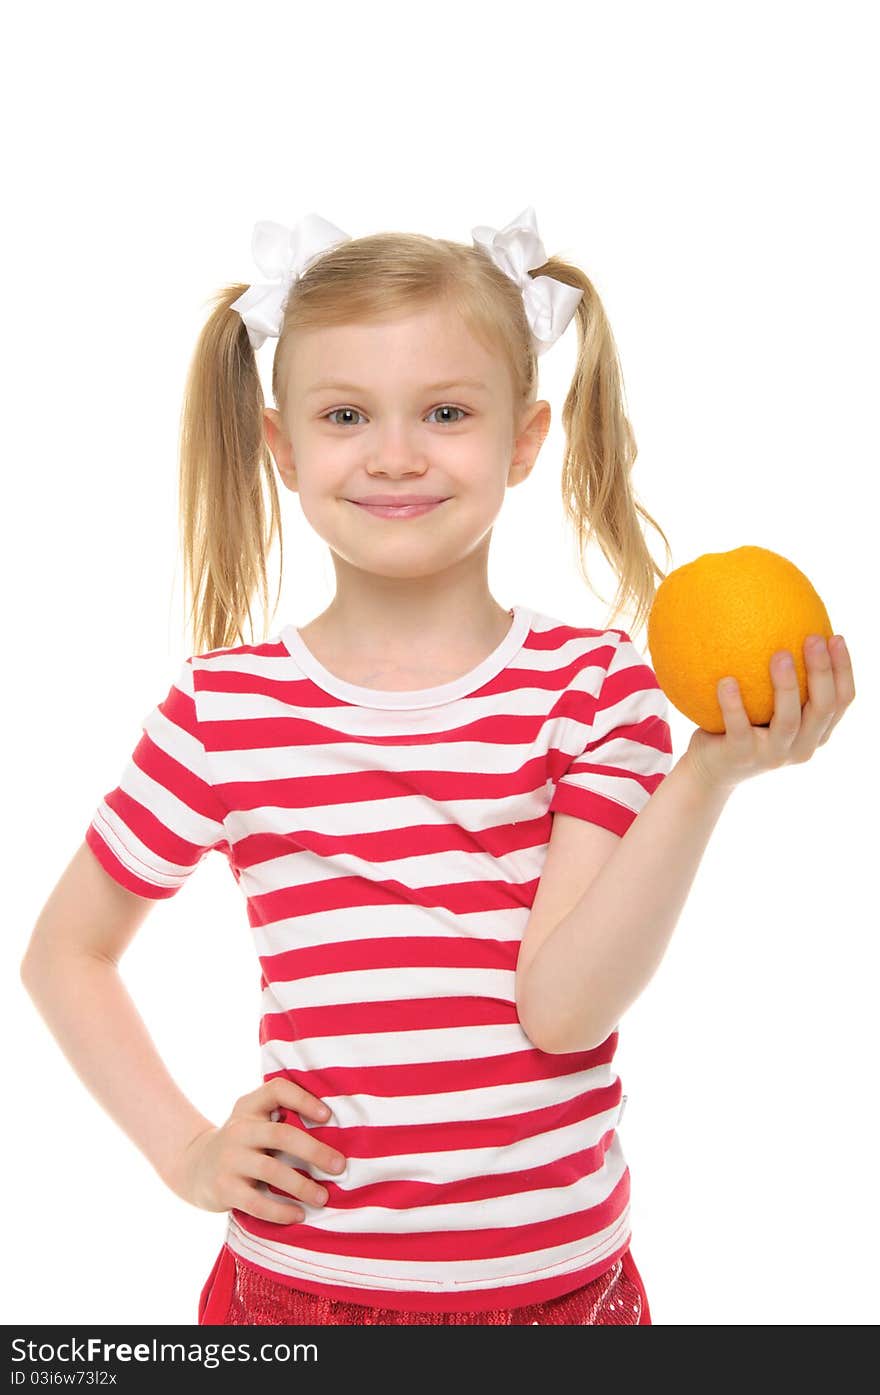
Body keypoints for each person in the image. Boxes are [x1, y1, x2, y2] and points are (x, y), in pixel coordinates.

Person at [20, 207, 855, 1327]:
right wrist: (186, 1152)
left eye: (447, 412)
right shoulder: (221, 710)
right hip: (304, 1295)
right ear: (283, 447)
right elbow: (66, 954)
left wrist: (700, 781)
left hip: (563, 1296)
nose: (397, 453)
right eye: (346, 415)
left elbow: (561, 1010)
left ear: (523, 438)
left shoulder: (596, 690)